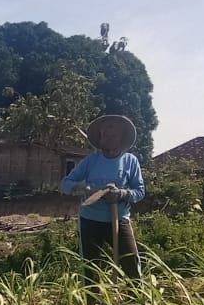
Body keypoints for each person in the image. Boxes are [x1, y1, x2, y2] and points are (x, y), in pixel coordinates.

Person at [60, 114, 146, 280]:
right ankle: (91, 304)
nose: (108, 137)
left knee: (131, 264)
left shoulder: (130, 161)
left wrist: (122, 194)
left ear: (121, 138)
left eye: (112, 134)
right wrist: (81, 188)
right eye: (104, 134)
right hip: (90, 220)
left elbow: (139, 192)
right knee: (91, 269)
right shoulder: (91, 161)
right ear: (100, 138)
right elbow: (65, 184)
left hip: (119, 220)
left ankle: (137, 303)